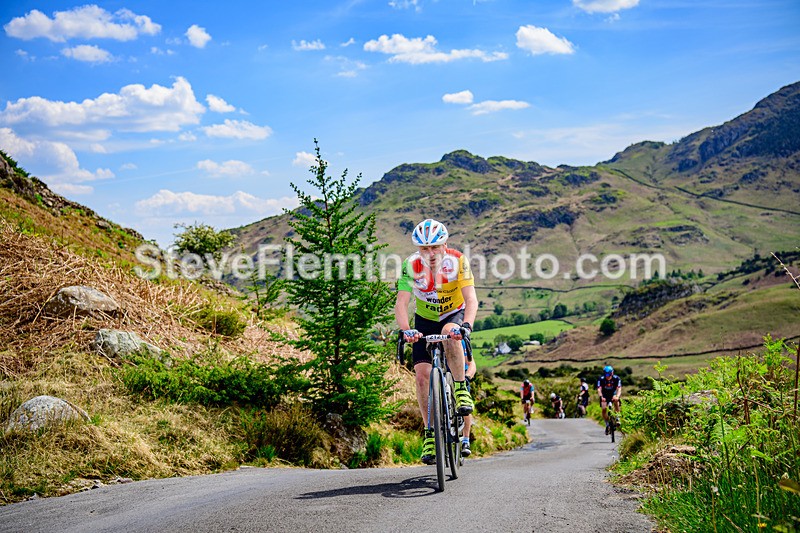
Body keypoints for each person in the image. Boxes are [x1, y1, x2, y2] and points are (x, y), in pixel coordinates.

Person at [395, 219, 478, 465]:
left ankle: (461, 389)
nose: (430, 253)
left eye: (434, 247)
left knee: (451, 332)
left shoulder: (458, 262)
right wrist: (406, 330)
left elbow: (471, 299)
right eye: (424, 249)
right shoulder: (411, 265)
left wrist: (467, 326)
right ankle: (430, 432)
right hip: (424, 319)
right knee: (421, 376)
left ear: (444, 245)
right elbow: (401, 303)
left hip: (454, 314)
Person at [597, 365, 622, 434]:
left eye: (609, 374)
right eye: (606, 374)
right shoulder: (601, 379)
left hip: (613, 394)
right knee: (604, 408)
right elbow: (599, 389)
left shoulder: (616, 378)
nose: (608, 376)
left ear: (612, 373)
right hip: (604, 395)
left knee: (616, 401)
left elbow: (619, 388)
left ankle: (617, 418)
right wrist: (601, 397)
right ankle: (607, 424)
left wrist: (617, 396)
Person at [461, 354, 477, 457]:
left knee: (465, 407)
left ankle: (466, 441)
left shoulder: (459, 339)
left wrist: (467, 376)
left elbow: (472, 364)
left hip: (461, 375)